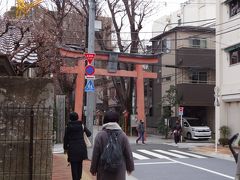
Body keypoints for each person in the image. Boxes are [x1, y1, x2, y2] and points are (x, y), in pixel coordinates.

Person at [90, 111, 134, 180]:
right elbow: (128, 153)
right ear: (117, 121)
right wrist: (130, 168)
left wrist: (93, 169)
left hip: (103, 170)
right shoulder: (123, 135)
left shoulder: (100, 135)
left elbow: (96, 154)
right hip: (119, 171)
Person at [63, 112, 91, 180]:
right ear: (77, 117)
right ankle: (79, 177)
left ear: (70, 118)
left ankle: (75, 178)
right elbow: (89, 134)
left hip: (72, 148)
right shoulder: (81, 125)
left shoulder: (68, 127)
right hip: (81, 147)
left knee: (73, 165)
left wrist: (65, 148)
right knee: (80, 163)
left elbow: (65, 139)